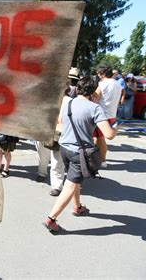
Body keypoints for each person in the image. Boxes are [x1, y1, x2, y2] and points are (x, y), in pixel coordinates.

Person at [43, 76, 118, 233]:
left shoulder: (67, 103)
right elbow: (109, 134)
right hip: (79, 152)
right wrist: (115, 127)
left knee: (74, 179)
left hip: (64, 147)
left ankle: (77, 207)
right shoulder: (95, 108)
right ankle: (51, 219)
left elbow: (59, 122)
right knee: (70, 185)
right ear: (93, 91)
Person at [93, 66, 121, 168]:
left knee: (99, 138)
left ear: (103, 73)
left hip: (101, 115)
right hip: (112, 114)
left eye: (98, 73)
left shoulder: (102, 84)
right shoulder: (117, 84)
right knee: (98, 138)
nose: (98, 75)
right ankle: (99, 159)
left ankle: (102, 160)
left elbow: (95, 98)